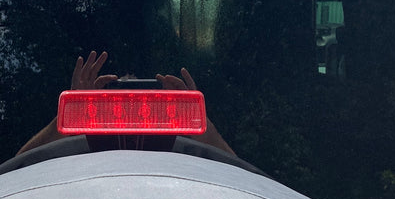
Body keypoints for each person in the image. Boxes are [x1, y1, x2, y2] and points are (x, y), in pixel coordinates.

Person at [16, 50, 235, 156]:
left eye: (143, 93)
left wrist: (196, 119)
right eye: (117, 92)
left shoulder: (200, 169)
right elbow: (17, 168)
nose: (133, 106)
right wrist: (72, 111)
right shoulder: (66, 162)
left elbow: (243, 176)